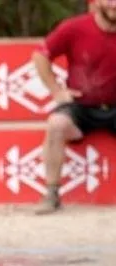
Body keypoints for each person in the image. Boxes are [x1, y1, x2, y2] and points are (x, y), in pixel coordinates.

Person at [32, 0, 116, 214]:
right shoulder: (75, 27)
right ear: (97, 3)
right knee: (56, 125)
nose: (114, 6)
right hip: (81, 108)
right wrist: (56, 91)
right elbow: (41, 54)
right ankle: (52, 193)